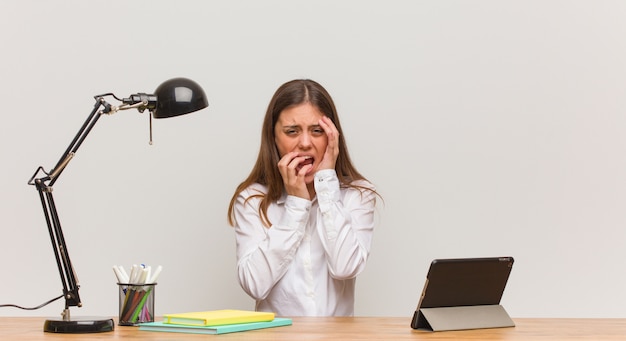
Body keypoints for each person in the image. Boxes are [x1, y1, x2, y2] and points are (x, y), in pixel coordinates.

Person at [227, 79, 379, 316]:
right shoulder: (252, 199)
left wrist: (327, 183)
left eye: (317, 131)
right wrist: (297, 205)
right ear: (273, 138)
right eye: (292, 131)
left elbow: (345, 268)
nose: (305, 143)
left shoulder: (358, 194)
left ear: (332, 137)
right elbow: (254, 285)